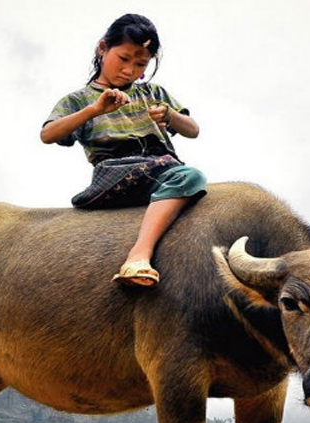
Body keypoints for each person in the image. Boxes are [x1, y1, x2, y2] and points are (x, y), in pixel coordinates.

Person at [41, 14, 205, 287]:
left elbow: (193, 130)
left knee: (184, 178)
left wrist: (169, 115)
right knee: (189, 177)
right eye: (124, 58)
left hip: (162, 170)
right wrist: (95, 110)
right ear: (103, 48)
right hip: (117, 173)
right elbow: (48, 134)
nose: (129, 70)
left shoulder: (153, 93)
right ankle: (139, 254)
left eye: (140, 63)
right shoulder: (79, 99)